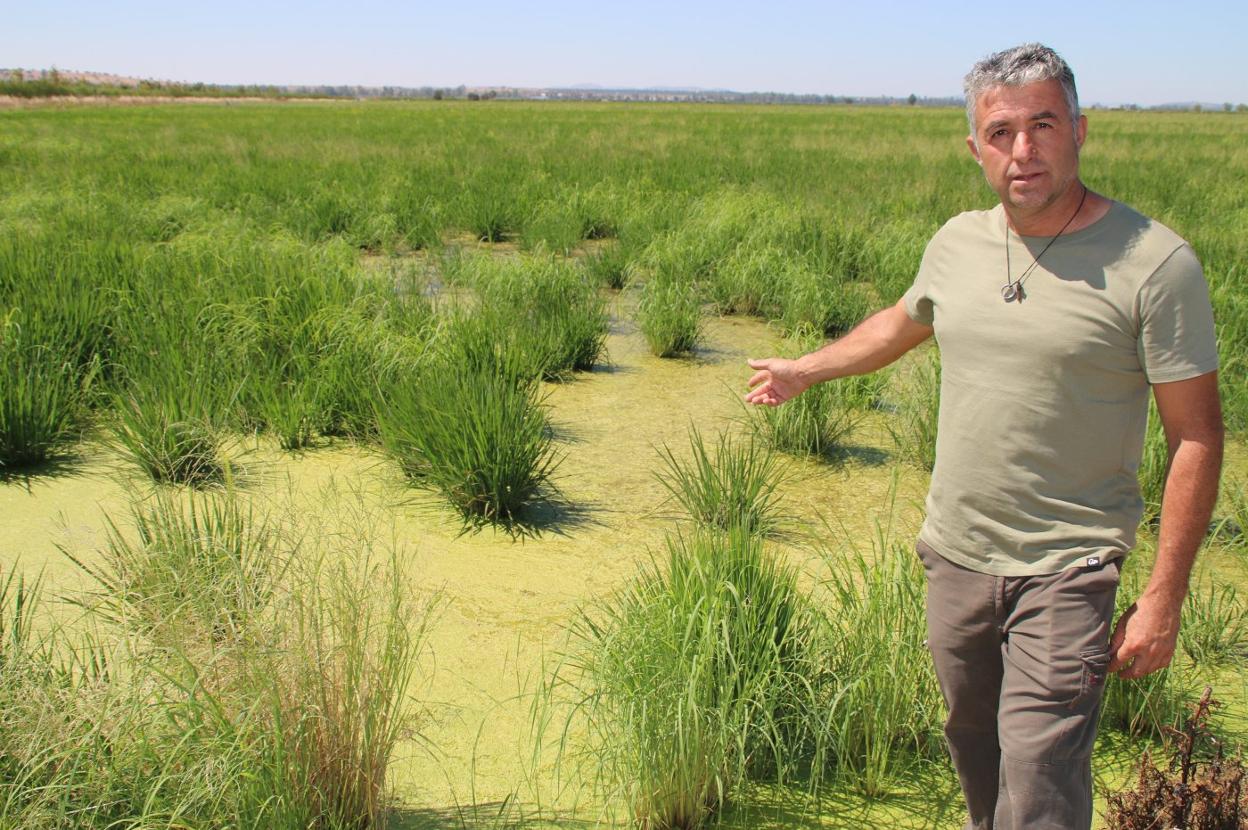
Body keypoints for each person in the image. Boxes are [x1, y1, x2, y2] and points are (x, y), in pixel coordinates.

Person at [745, 43, 1223, 830]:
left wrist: (1163, 598)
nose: (1023, 149)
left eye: (1043, 124)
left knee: (1039, 786)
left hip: (1068, 569)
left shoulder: (1156, 264)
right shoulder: (958, 242)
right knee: (976, 757)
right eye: (1001, 132)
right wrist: (806, 370)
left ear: (1081, 128)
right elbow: (902, 323)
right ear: (976, 148)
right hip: (957, 559)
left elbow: (1197, 437)